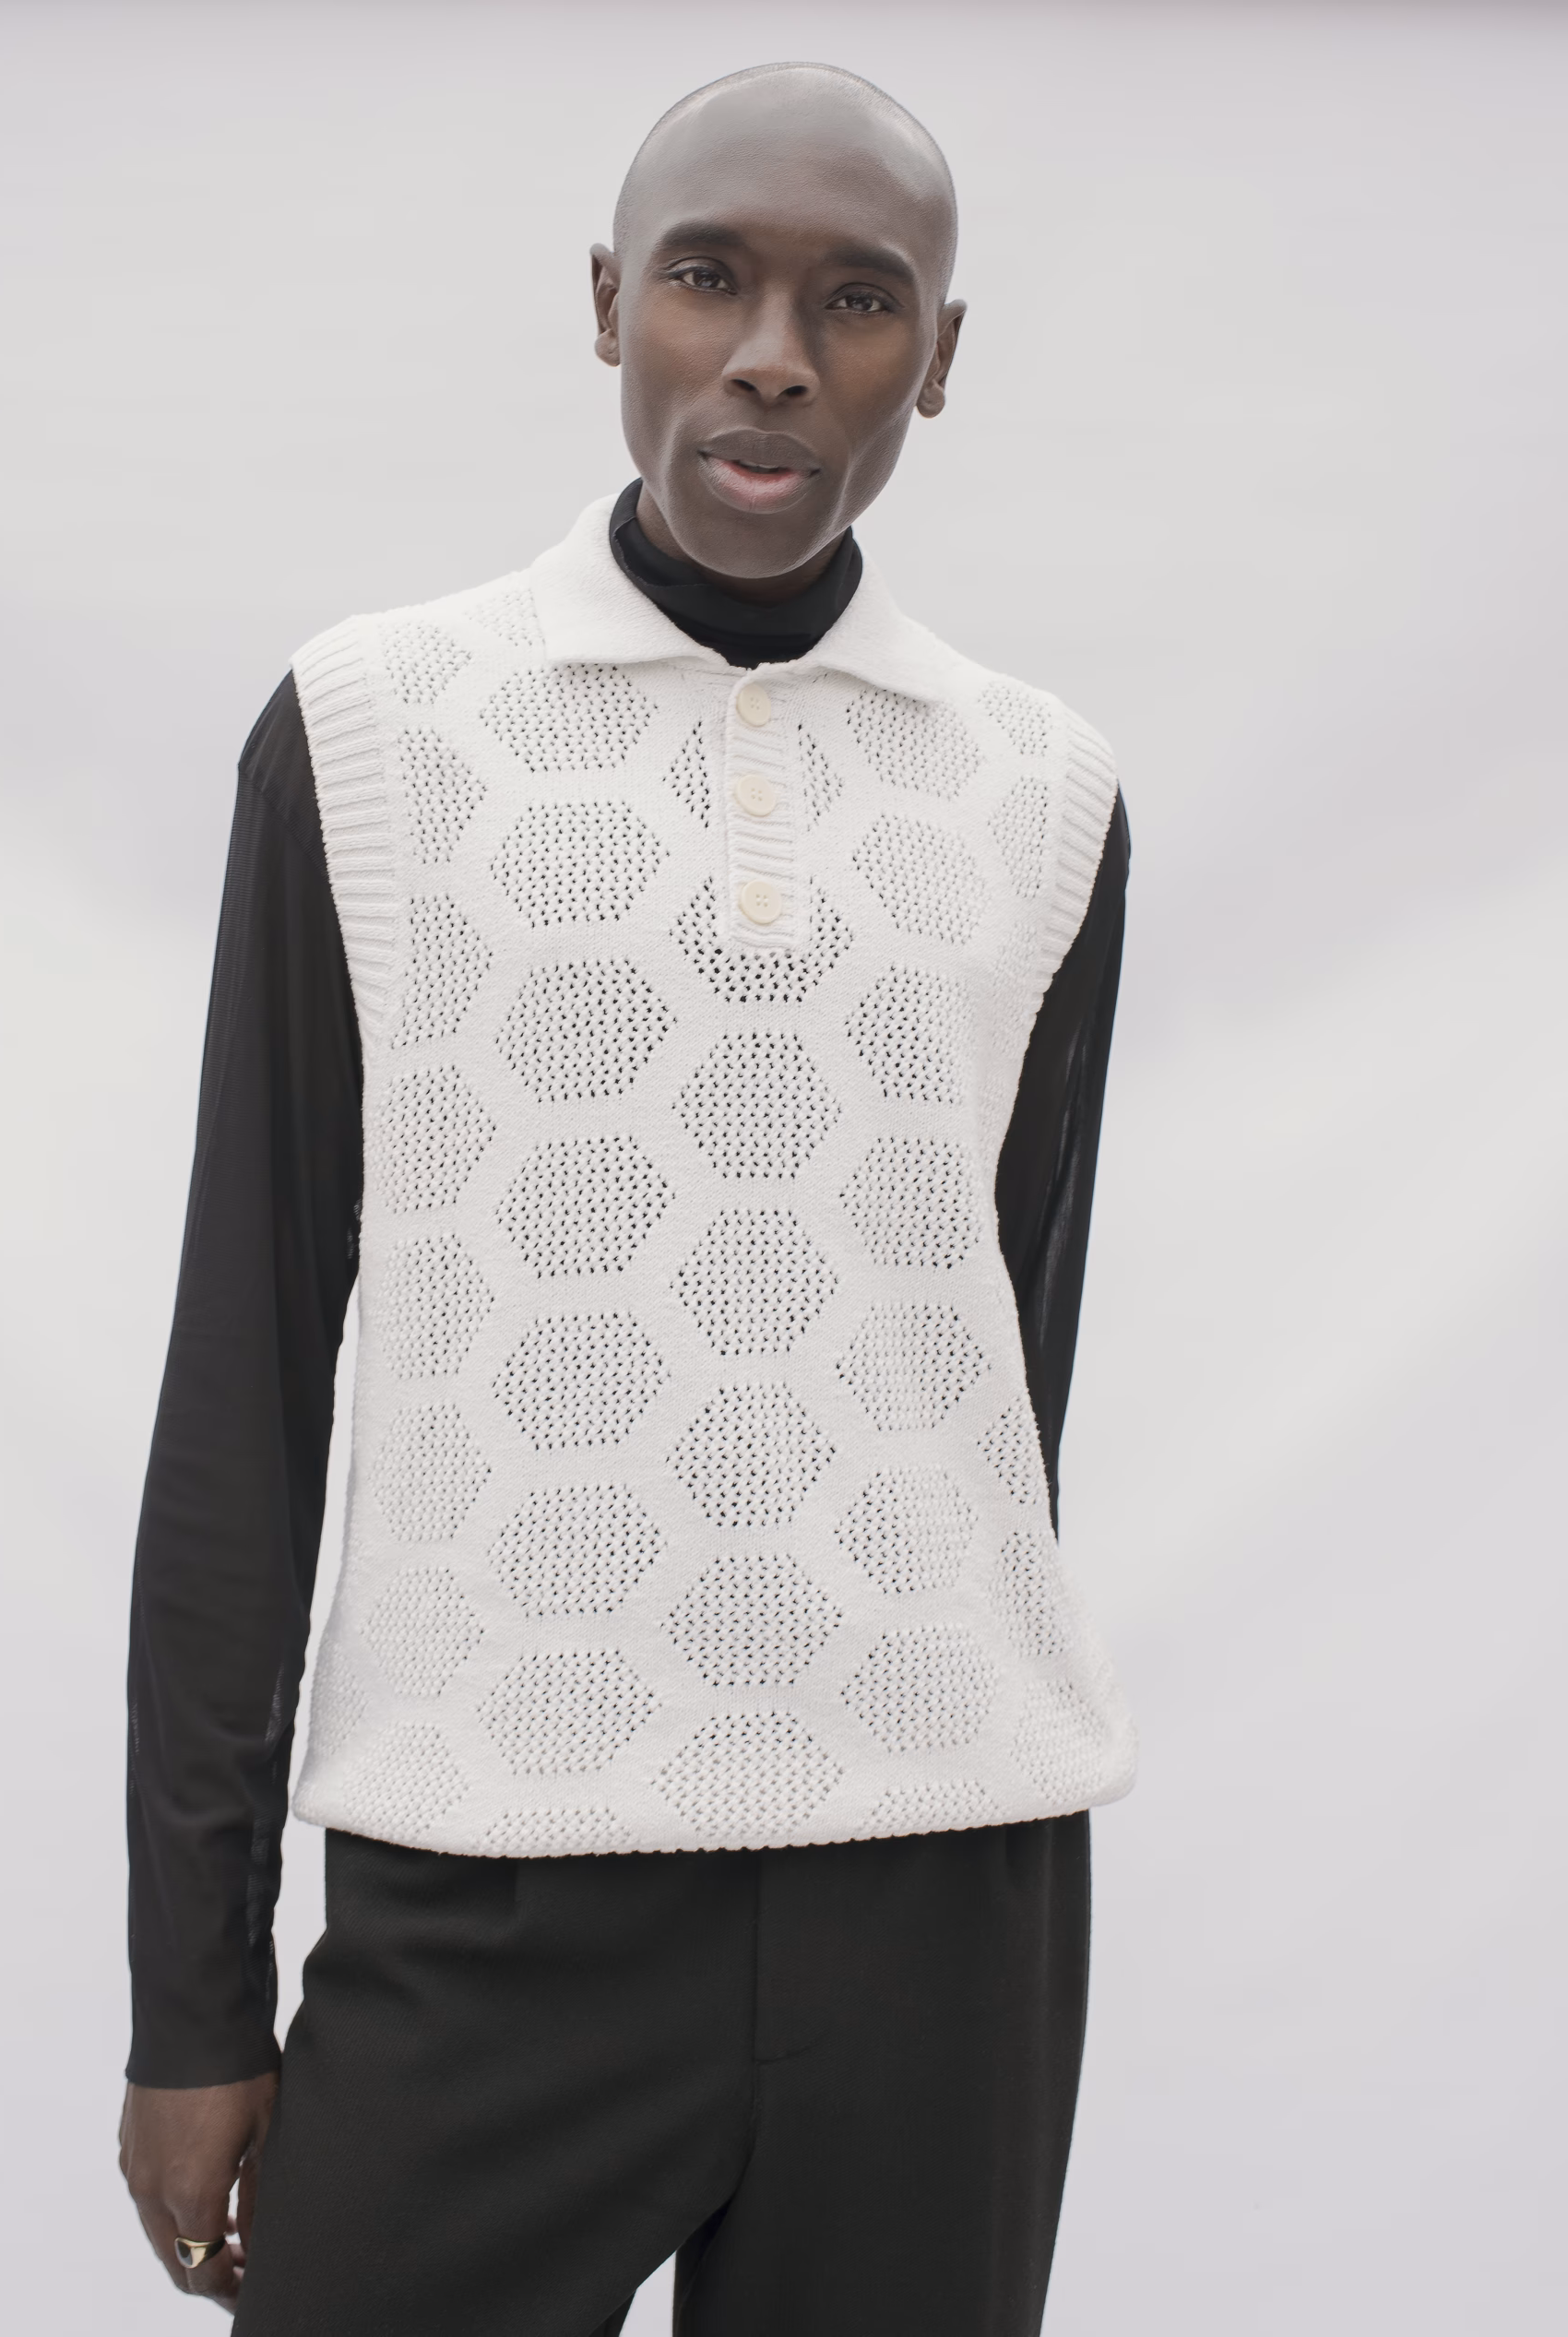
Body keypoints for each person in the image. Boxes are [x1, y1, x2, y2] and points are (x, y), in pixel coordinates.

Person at [119, 58, 1134, 2337]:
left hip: (941, 1893)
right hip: (490, 1885)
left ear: (939, 357)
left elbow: (1007, 1377)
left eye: (858, 300)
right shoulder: (378, 733)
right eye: (709, 278)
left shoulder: (1042, 793)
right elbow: (244, 1391)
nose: (774, 353)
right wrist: (194, 1997)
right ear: (609, 307)